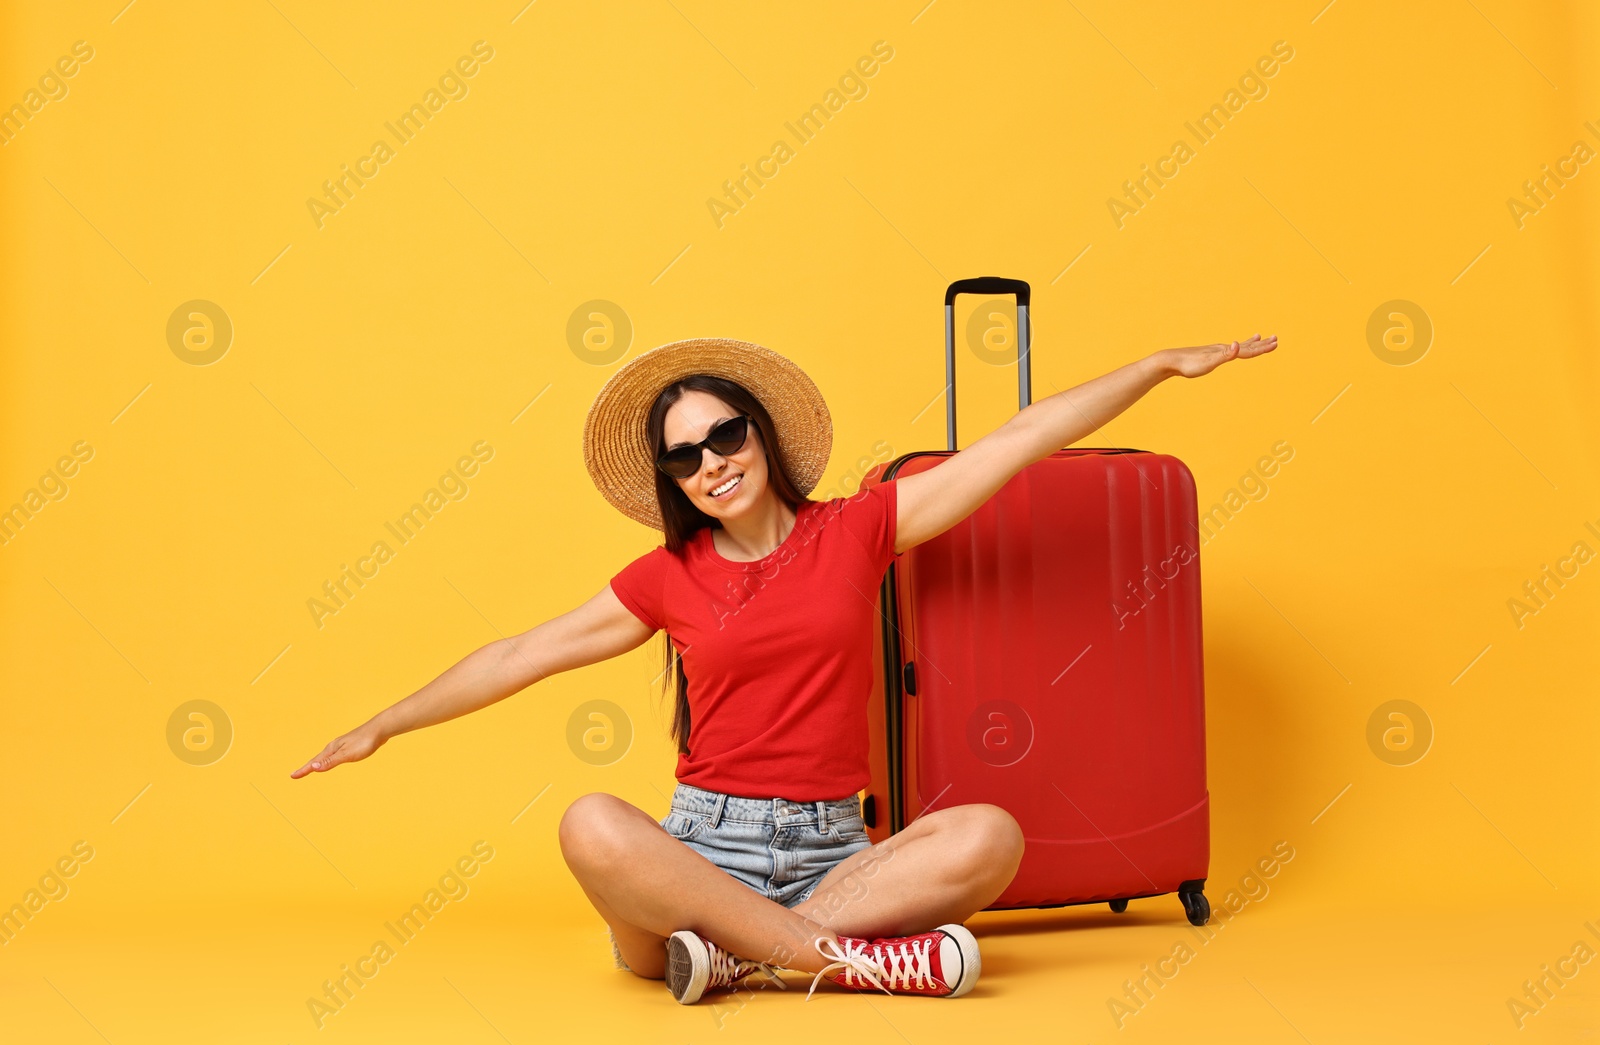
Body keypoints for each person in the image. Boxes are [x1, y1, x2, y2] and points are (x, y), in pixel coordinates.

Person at [290, 331, 1279, 1004]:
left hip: (833, 856)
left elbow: (1017, 442)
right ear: (673, 482)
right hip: (698, 858)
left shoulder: (855, 531)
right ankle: (838, 963)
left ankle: (745, 957)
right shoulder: (664, 577)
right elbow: (520, 651)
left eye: (726, 433)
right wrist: (384, 721)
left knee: (989, 832)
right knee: (589, 822)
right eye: (687, 456)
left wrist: (1155, 366)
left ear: (758, 433)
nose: (714, 461)